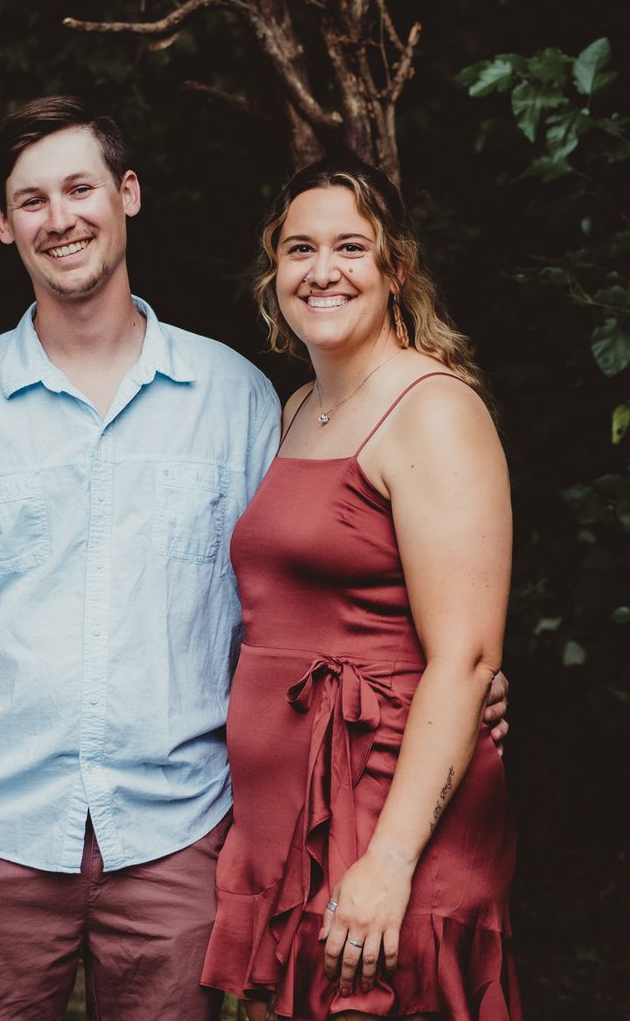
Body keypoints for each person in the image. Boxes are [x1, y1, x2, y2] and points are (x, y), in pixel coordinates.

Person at [0, 99, 509, 1021]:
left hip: (181, 832)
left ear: (128, 195)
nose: (60, 218)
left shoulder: (241, 399)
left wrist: (457, 678)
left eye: (81, 188)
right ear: (2, 223)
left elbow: (323, 596)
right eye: (32, 199)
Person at [200, 159, 520, 1020]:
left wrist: (390, 861)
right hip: (286, 816)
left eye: (351, 246)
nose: (322, 270)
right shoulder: (298, 406)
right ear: (274, 271)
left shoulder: (433, 409)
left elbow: (467, 656)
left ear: (396, 268)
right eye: (299, 248)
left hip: (386, 811)